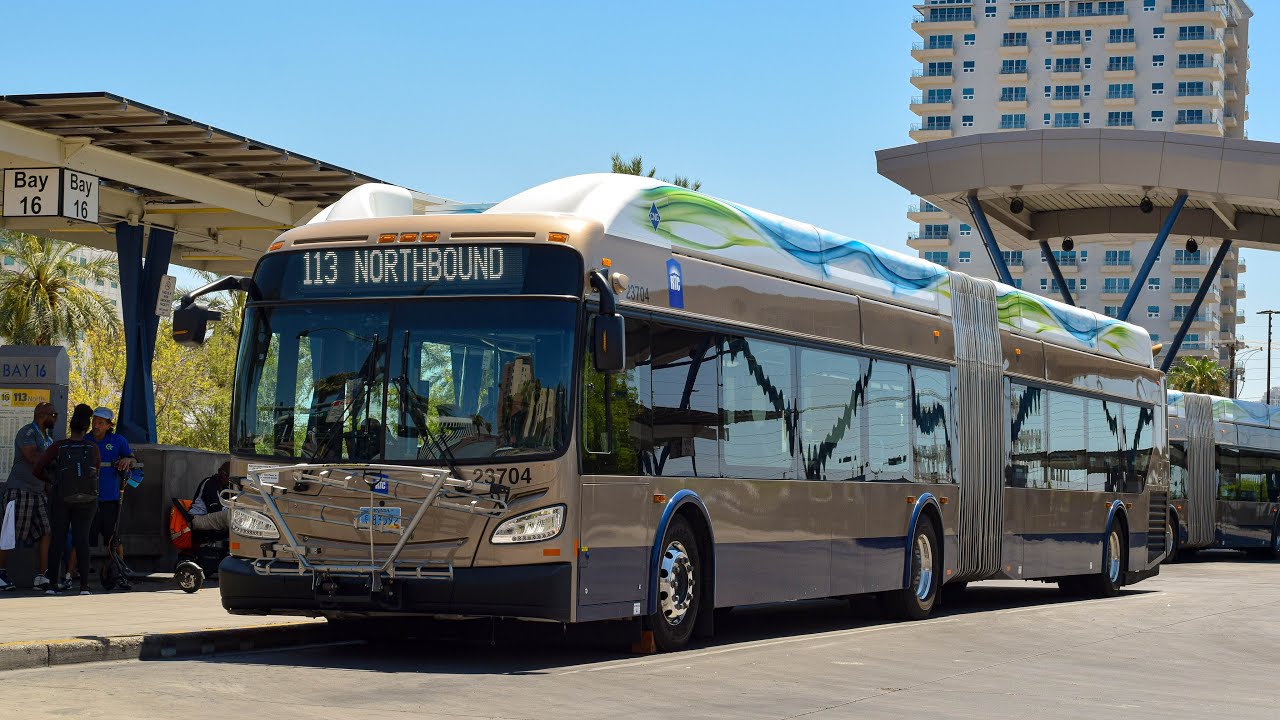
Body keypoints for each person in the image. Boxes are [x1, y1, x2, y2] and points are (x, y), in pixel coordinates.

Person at [35, 405, 100, 596]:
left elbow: (37, 469)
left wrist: (54, 482)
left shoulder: (58, 446)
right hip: (87, 500)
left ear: (70, 427)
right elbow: (96, 471)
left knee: (58, 539)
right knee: (82, 540)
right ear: (86, 428)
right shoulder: (92, 447)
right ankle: (85, 587)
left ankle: (53, 584)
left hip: (62, 497)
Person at [0, 402, 57, 592]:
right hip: (20, 491)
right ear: (42, 415)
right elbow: (33, 458)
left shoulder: (48, 438)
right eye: (53, 414)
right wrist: (53, 461)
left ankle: (41, 576)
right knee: (11, 533)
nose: (55, 418)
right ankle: (1, 573)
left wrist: (52, 489)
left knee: (46, 531)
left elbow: (47, 467)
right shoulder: (27, 433)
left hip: (38, 492)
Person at [87, 407, 135, 590]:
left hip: (111, 499)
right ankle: (72, 574)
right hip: (88, 499)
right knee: (81, 539)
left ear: (109, 425)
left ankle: (120, 574)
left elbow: (131, 457)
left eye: (100, 422)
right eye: (94, 421)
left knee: (114, 539)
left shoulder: (118, 441)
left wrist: (127, 461)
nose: (96, 425)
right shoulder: (86, 440)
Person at [189, 461, 230, 532]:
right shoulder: (209, 483)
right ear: (219, 472)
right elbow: (214, 508)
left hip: (209, 517)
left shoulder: (226, 487)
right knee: (231, 516)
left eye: (230, 477)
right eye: (226, 475)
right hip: (198, 519)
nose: (228, 479)